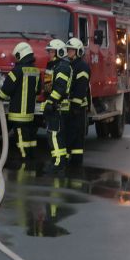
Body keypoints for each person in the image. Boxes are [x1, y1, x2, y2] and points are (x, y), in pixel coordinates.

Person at [0, 42, 41, 158]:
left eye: (16, 56)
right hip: (30, 114)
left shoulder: (16, 71)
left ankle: (24, 158)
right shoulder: (36, 71)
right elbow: (37, 90)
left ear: (21, 54)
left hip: (18, 113)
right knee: (30, 136)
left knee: (21, 137)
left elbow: (6, 90)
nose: (15, 59)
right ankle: (30, 157)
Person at [43, 38, 72, 172]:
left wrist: (50, 102)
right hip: (54, 105)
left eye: (51, 51)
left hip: (58, 106)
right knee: (55, 134)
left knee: (54, 134)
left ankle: (58, 163)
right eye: (49, 51)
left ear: (59, 52)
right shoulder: (53, 66)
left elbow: (60, 88)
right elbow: (48, 87)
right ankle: (59, 160)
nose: (49, 54)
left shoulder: (62, 67)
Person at [64, 37, 90, 167]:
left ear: (78, 51)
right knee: (70, 134)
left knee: (77, 135)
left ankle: (76, 161)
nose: (69, 52)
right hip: (70, 106)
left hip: (78, 108)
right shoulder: (70, 65)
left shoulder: (82, 67)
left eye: (72, 50)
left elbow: (81, 88)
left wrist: (75, 106)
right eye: (68, 49)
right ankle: (72, 160)